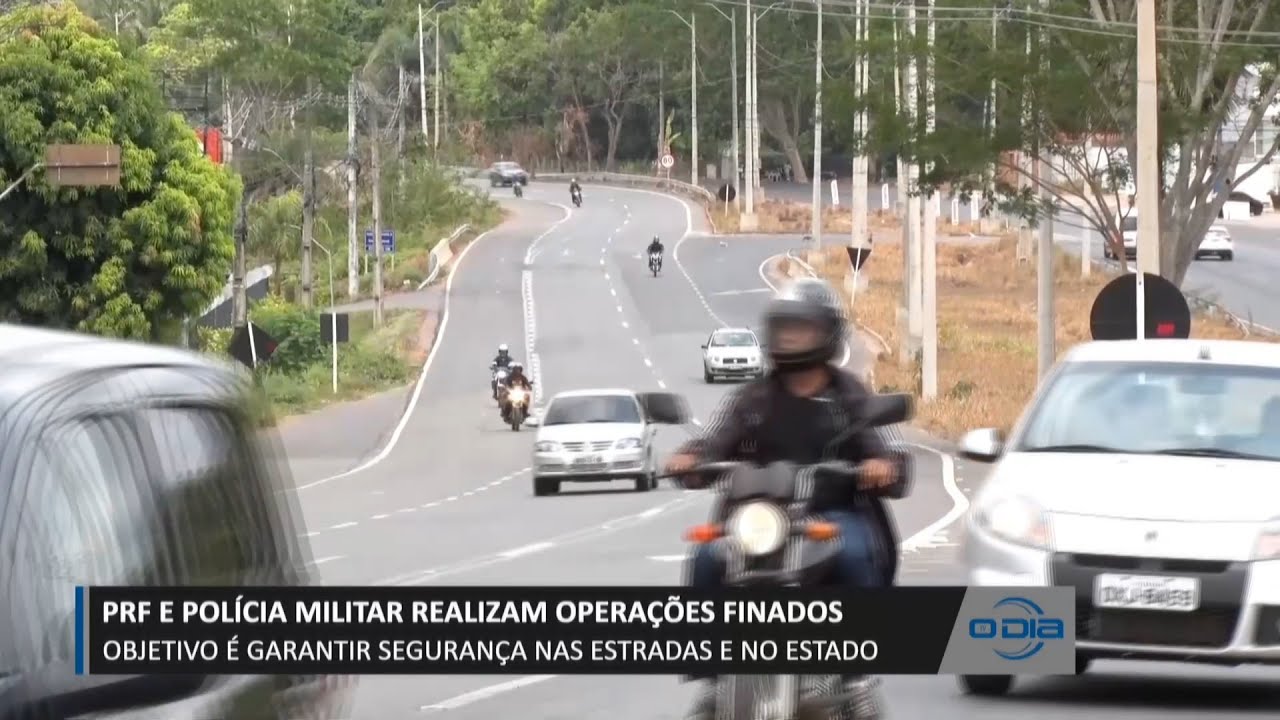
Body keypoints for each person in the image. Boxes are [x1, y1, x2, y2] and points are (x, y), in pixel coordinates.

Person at [664, 276, 908, 720]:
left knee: (853, 553)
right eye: (784, 328)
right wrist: (691, 457)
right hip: (759, 519)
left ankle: (854, 675)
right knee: (704, 556)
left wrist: (882, 466)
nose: (792, 337)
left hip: (830, 513)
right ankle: (713, 680)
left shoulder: (847, 395)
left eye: (803, 328)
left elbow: (879, 447)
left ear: (828, 334)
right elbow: (718, 440)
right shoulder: (753, 397)